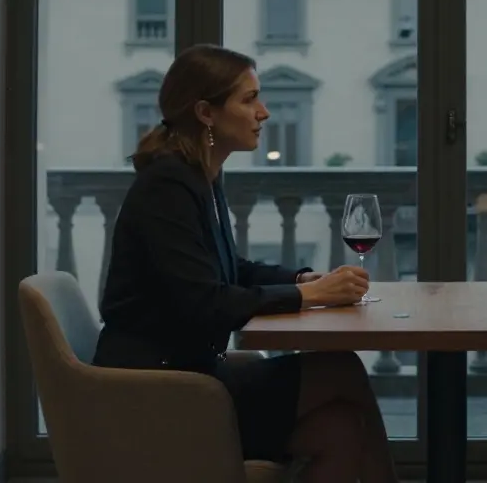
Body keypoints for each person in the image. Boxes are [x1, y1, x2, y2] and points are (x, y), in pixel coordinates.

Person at [92, 43, 398, 483]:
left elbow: (227, 267)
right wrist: (307, 295)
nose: (264, 112)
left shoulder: (197, 175)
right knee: (340, 368)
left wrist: (301, 278)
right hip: (160, 389)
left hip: (189, 373)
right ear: (206, 112)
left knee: (341, 430)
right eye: (249, 99)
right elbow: (205, 302)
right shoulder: (167, 185)